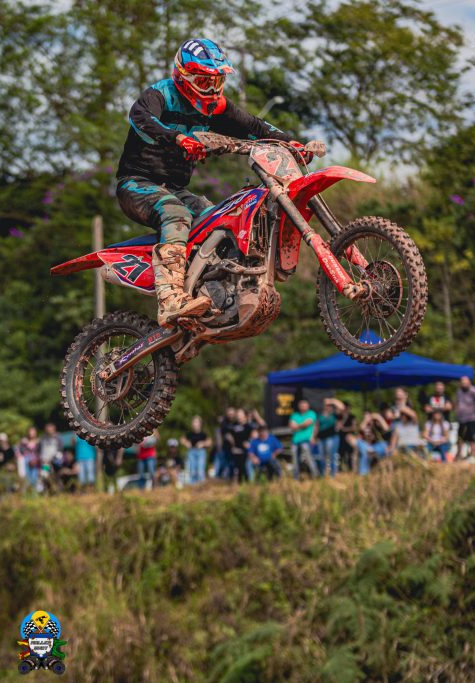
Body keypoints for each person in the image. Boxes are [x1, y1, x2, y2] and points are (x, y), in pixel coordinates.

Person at [115, 38, 323, 327]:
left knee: (220, 221)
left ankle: (219, 291)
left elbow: (254, 126)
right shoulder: (161, 95)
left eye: (217, 81)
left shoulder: (215, 107)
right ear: (183, 76)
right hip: (137, 184)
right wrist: (177, 138)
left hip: (175, 189)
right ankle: (170, 299)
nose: (212, 90)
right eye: (204, 81)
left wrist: (291, 143)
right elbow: (140, 117)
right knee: (175, 214)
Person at [289, 399, 318, 480]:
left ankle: (315, 476)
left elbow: (307, 423)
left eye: (305, 405)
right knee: (295, 460)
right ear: (299, 406)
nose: (303, 407)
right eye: (302, 405)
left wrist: (297, 426)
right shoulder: (295, 415)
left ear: (308, 406)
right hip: (295, 440)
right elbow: (291, 426)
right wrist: (301, 425)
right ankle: (296, 478)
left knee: (309, 458)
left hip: (306, 440)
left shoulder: (311, 413)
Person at [226, 409, 257, 484]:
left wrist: (249, 444)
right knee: (238, 470)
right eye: (238, 414)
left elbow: (255, 436)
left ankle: (251, 485)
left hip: (246, 452)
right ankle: (239, 486)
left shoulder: (249, 426)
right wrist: (233, 445)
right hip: (237, 451)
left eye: (240, 414)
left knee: (247, 468)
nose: (238, 416)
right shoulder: (234, 425)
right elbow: (228, 435)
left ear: (244, 416)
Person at [391, 388, 423, 457]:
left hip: (411, 445)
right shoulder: (398, 424)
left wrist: (401, 405)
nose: (398, 395)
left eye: (400, 393)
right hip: (401, 445)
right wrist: (392, 448)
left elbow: (414, 415)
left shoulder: (413, 421)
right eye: (397, 394)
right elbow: (394, 436)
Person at [181, 416, 210, 485]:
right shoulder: (189, 433)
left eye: (196, 422)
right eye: (194, 422)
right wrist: (186, 443)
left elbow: (209, 442)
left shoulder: (203, 434)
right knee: (192, 470)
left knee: (200, 470)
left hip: (201, 452)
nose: (195, 424)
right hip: (191, 452)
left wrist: (203, 443)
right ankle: (193, 487)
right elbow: (182, 440)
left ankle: (201, 486)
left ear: (200, 424)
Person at [318, 399, 341, 476]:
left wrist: (332, 401)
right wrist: (313, 437)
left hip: (332, 437)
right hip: (321, 439)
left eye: (329, 405)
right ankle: (323, 474)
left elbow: (342, 407)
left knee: (332, 456)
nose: (328, 406)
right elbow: (316, 426)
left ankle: (333, 474)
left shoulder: (334, 414)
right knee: (321, 457)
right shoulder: (320, 415)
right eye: (326, 405)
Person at [213, 407, 236, 479]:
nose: (231, 415)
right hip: (224, 449)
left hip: (234, 449)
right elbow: (225, 435)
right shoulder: (224, 423)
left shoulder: (236, 423)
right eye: (229, 414)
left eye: (232, 414)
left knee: (231, 466)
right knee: (223, 466)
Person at [19, 427, 41, 491]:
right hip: (26, 462)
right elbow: (20, 452)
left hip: (36, 463)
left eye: (33, 431)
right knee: (26, 479)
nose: (32, 433)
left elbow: (40, 453)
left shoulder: (39, 442)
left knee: (35, 478)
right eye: (30, 431)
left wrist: (35, 459)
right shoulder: (24, 442)